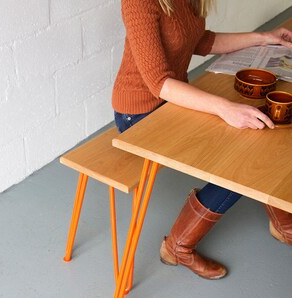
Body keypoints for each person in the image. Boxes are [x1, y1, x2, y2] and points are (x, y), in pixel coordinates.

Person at [112, 0, 292, 280]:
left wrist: (264, 37)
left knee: (256, 130)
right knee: (237, 163)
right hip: (140, 113)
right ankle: (178, 247)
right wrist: (224, 107)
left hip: (172, 101)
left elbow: (202, 41)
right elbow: (158, 82)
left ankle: (282, 222)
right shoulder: (138, 2)